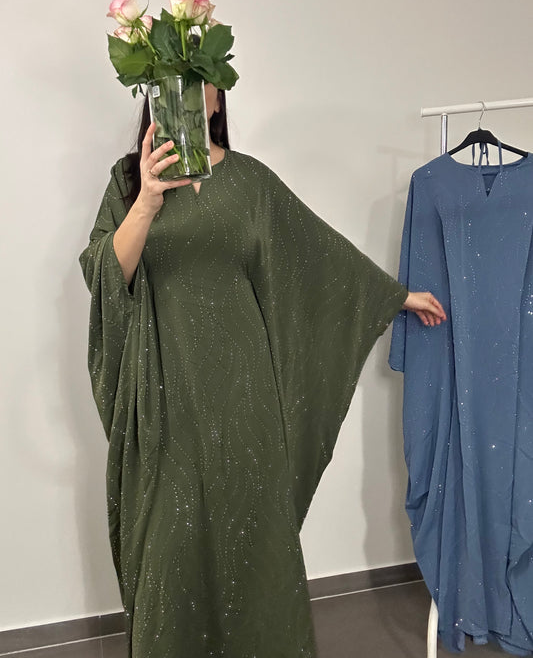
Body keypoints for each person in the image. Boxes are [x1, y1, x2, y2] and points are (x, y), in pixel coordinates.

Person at [79, 83, 446, 658]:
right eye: (173, 78)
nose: (188, 91)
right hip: (165, 390)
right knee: (167, 543)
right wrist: (147, 200)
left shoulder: (250, 181)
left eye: (199, 79)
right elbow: (103, 274)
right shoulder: (129, 178)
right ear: (155, 92)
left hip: (243, 391)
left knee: (249, 532)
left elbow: (317, 256)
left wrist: (397, 296)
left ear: (217, 96)